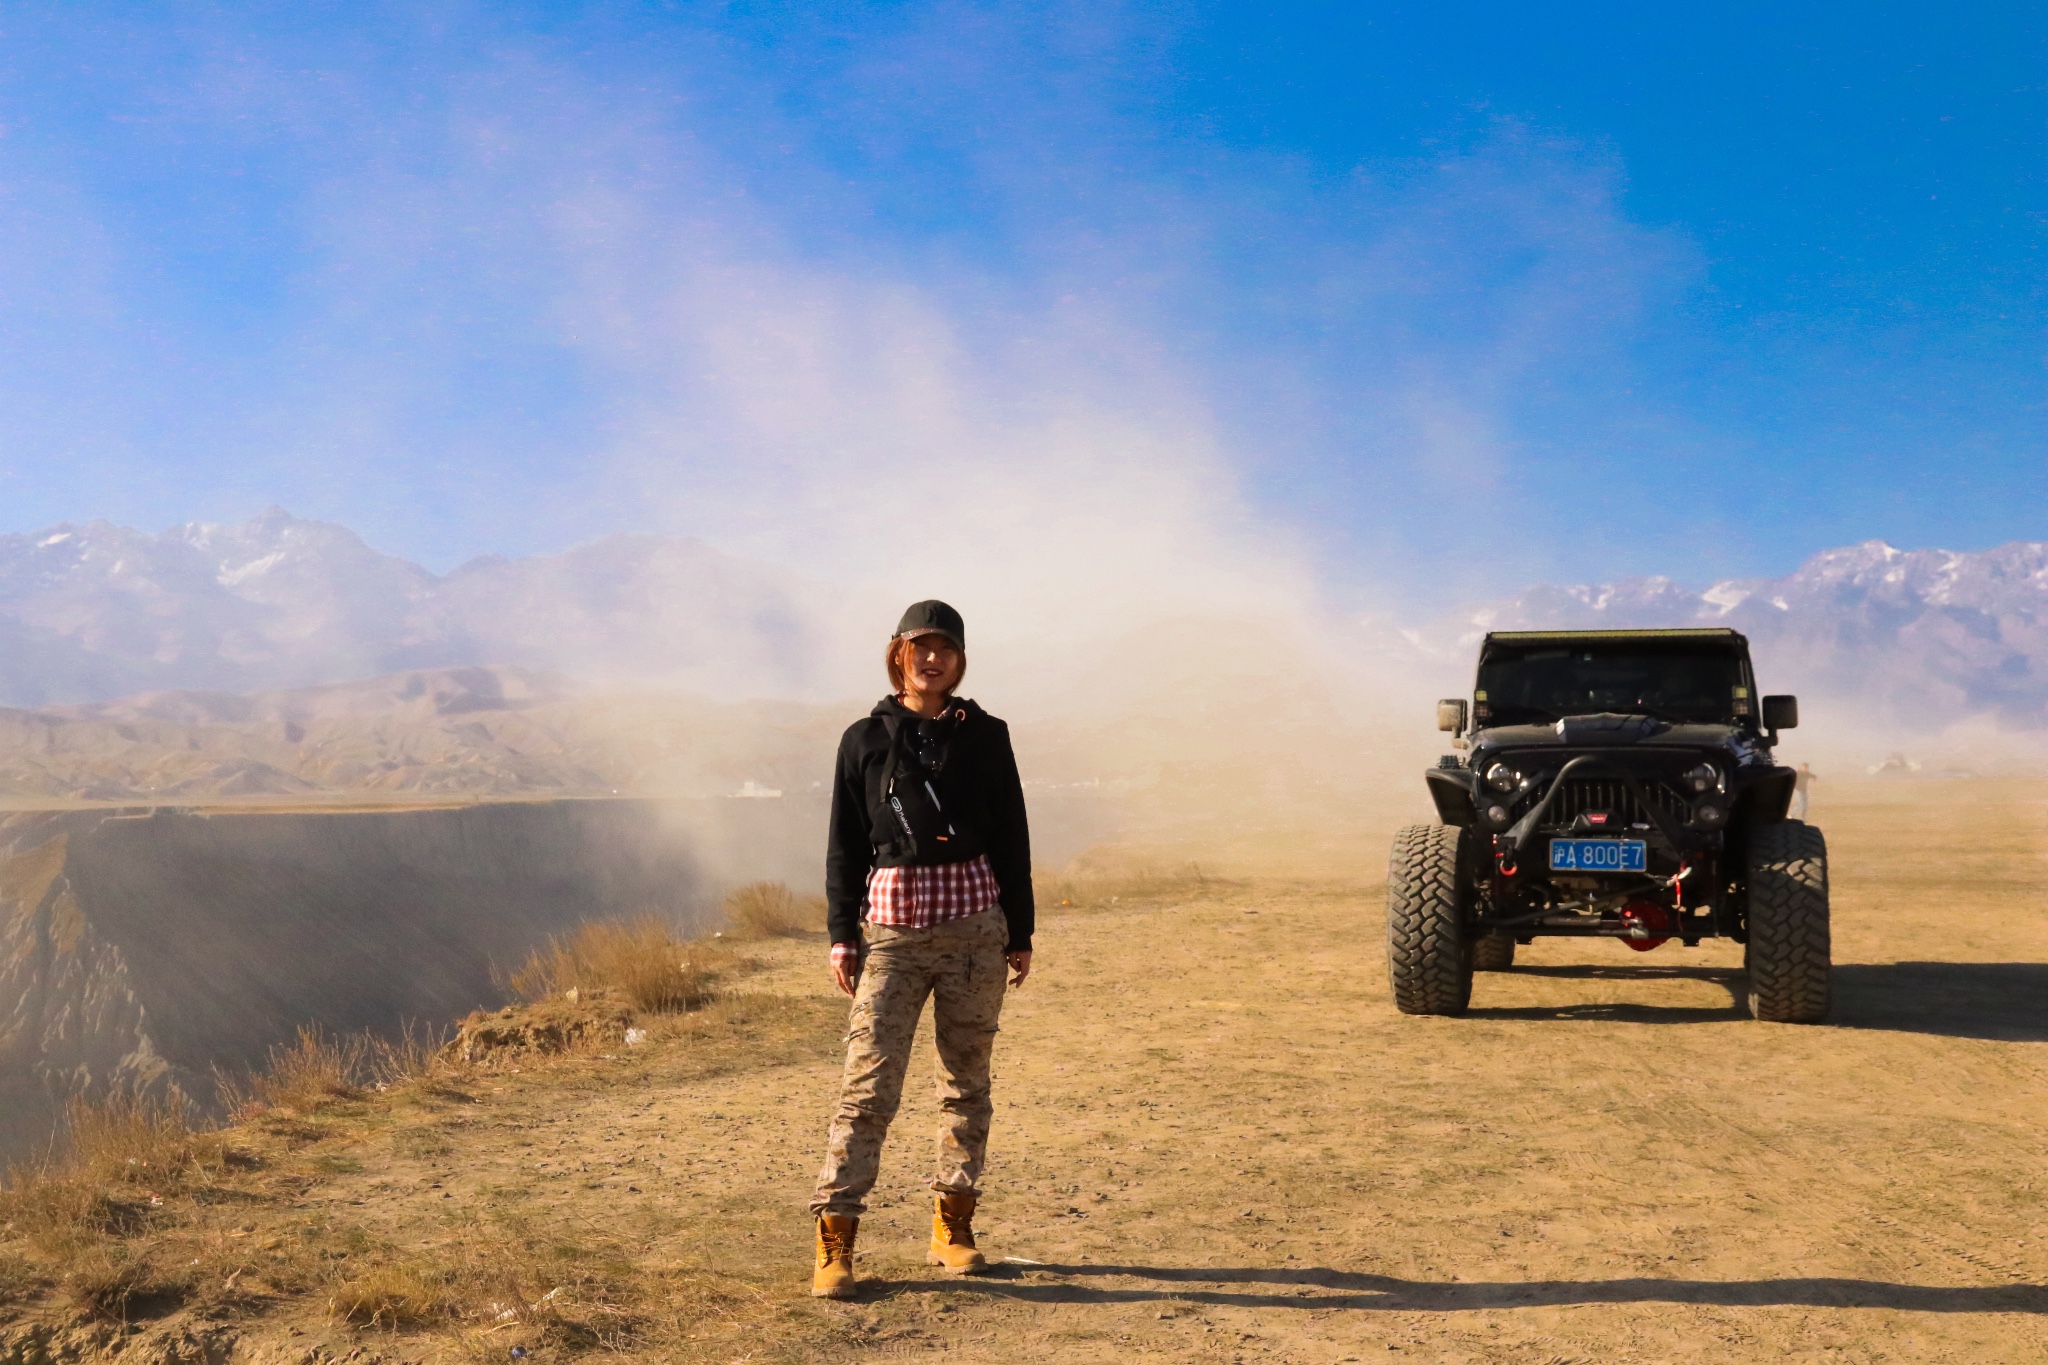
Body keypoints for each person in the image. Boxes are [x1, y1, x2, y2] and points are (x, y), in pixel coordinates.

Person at [809, 600, 1034, 1300]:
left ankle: (952, 1229)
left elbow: (1012, 835)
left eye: (945, 648)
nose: (932, 659)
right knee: (868, 1088)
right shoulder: (863, 738)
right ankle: (836, 1240)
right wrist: (842, 933)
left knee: (966, 1083)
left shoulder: (987, 734)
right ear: (898, 654)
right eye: (919, 647)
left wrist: (1020, 932)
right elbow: (846, 842)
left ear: (960, 659)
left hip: (975, 929)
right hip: (894, 939)